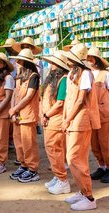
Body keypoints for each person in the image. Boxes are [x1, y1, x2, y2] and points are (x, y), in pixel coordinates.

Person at [62, 43, 100, 211]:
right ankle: (82, 191)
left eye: (70, 57)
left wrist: (67, 119)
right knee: (76, 158)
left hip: (81, 120)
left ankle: (89, 197)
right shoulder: (73, 73)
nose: (67, 59)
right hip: (73, 119)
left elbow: (79, 100)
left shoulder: (85, 74)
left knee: (75, 158)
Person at [8, 48, 41, 183]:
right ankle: (23, 165)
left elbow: (29, 96)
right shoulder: (19, 77)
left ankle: (32, 169)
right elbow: (14, 96)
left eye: (19, 61)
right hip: (17, 115)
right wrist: (12, 111)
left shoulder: (34, 76)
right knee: (18, 142)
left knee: (29, 143)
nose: (17, 63)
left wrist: (14, 109)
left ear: (25, 62)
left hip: (27, 115)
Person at [41, 50, 70, 195]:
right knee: (50, 149)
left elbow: (60, 103)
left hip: (56, 119)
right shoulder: (52, 79)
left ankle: (63, 180)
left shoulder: (63, 79)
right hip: (49, 118)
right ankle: (57, 176)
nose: (50, 65)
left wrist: (46, 115)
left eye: (53, 63)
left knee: (54, 149)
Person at [87, 46, 109, 184]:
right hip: (92, 113)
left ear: (96, 60)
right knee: (94, 142)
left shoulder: (106, 75)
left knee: (107, 142)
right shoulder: (86, 74)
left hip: (105, 112)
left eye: (90, 58)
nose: (88, 60)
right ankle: (102, 166)